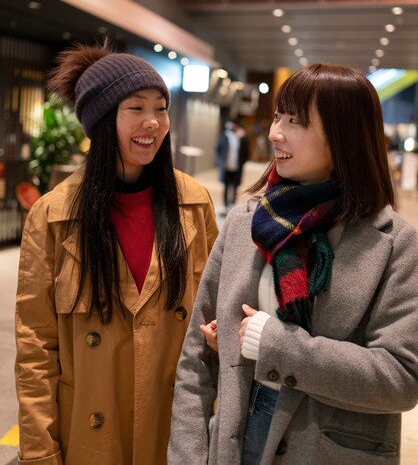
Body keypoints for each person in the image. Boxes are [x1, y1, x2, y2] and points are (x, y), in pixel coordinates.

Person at [168, 63, 418, 465]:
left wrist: (279, 347)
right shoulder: (245, 223)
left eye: (295, 121)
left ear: (344, 137)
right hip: (234, 441)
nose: (274, 132)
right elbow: (196, 360)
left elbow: (401, 378)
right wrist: (188, 457)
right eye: (278, 116)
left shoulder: (396, 244)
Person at [15, 43, 218, 465]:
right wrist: (39, 453)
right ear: (104, 120)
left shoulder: (194, 204)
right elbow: (36, 346)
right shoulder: (52, 215)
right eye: (136, 108)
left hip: (174, 430)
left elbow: (214, 319)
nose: (153, 123)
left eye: (161, 108)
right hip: (89, 436)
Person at [216, 118, 249, 214]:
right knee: (226, 187)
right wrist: (220, 162)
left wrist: (242, 163)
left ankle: (232, 205)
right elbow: (218, 149)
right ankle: (226, 206)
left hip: (237, 167)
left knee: (235, 186)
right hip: (226, 167)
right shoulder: (226, 136)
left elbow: (246, 152)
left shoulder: (242, 136)